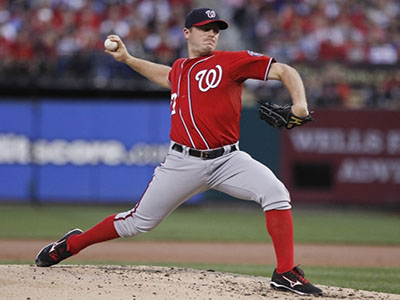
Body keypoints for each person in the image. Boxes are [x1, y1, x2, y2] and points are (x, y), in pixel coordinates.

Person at [35, 8, 323, 296]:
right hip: (182, 162)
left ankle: (285, 272)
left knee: (276, 192)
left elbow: (285, 70)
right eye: (204, 28)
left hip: (228, 159)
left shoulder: (230, 61)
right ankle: (71, 245)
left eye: (216, 29)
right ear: (187, 33)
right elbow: (168, 76)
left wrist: (299, 104)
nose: (212, 33)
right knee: (137, 222)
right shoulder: (182, 68)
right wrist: (128, 59)